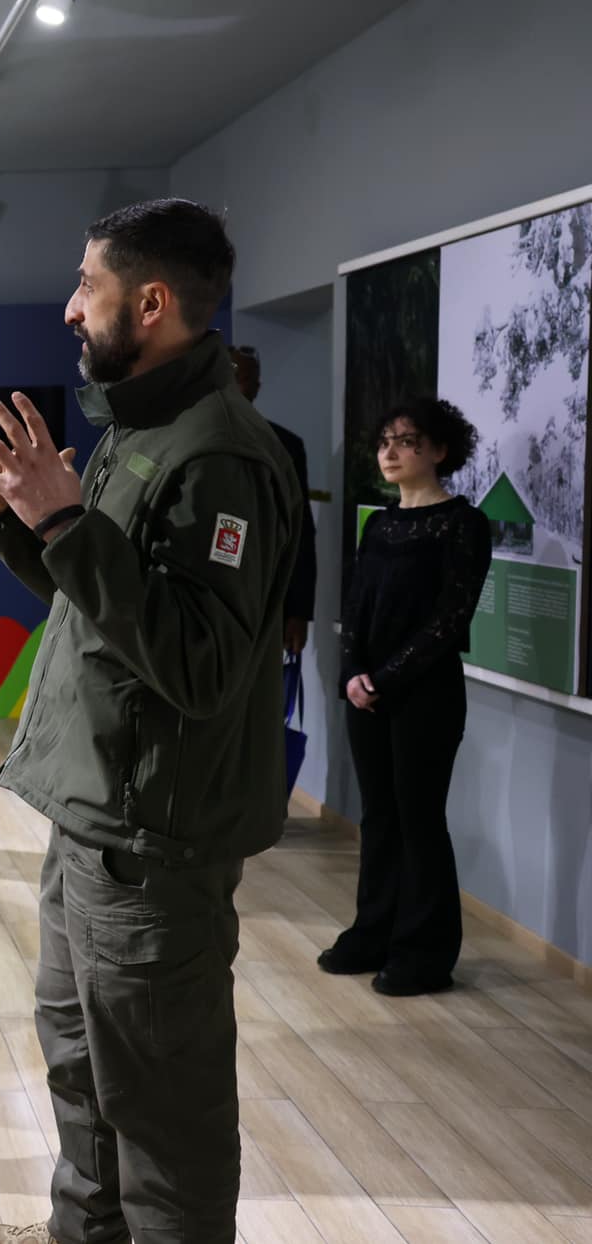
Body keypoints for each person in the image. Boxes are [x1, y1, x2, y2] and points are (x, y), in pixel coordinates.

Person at [0, 199, 299, 1244]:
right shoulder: (139, 428)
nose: (70, 307)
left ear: (151, 301)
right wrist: (13, 520)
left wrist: (61, 516)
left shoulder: (218, 455)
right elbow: (95, 600)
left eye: (87, 284)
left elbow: (200, 664)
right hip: (90, 816)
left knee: (161, 1114)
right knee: (83, 1074)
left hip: (151, 842)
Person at [321, 399, 489, 998]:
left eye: (406, 440)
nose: (389, 452)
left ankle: (424, 954)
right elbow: (356, 608)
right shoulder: (380, 524)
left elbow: (449, 621)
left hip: (425, 697)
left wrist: (383, 680)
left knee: (419, 820)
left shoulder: (464, 524)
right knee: (379, 818)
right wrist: (352, 672)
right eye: (384, 441)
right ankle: (374, 933)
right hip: (367, 693)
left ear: (439, 449)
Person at [230, 345, 317, 658]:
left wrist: (299, 610)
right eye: (229, 375)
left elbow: (300, 529)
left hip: (265, 595)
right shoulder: (185, 435)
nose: (235, 386)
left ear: (257, 387)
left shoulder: (285, 445)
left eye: (244, 378)